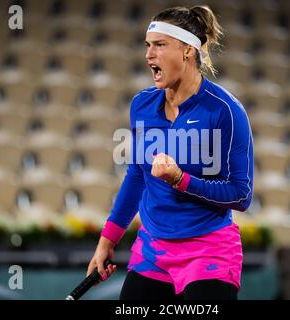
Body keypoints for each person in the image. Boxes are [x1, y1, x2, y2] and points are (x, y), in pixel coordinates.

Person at [87, 5, 254, 300]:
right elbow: (137, 177)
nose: (149, 55)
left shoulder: (226, 111)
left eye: (160, 45)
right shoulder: (141, 105)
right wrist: (107, 240)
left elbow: (241, 195)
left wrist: (180, 179)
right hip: (153, 252)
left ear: (188, 51)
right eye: (147, 46)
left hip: (209, 253)